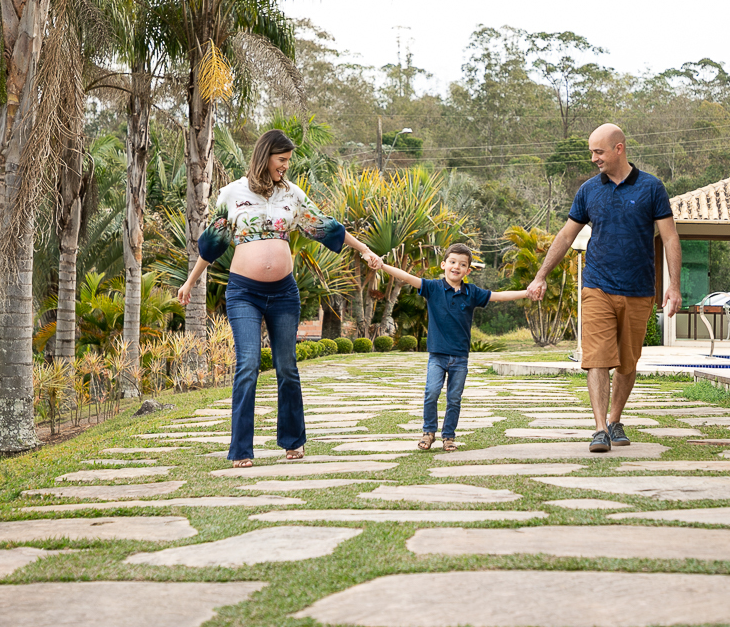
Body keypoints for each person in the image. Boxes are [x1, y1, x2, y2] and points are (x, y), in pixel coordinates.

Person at [177, 130, 382, 468]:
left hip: (284, 293)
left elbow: (326, 227)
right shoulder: (232, 193)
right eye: (281, 160)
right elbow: (213, 243)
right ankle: (241, 449)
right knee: (248, 364)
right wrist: (190, 282)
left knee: (287, 366)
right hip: (244, 292)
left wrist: (365, 250)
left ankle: (292, 440)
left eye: (288, 161)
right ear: (265, 156)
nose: (285, 166)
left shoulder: (292, 194)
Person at [527, 124, 681, 453]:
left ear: (618, 149)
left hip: (639, 289)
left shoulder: (652, 187)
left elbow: (670, 238)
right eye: (591, 152)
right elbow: (566, 236)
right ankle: (599, 429)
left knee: (627, 363)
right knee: (596, 359)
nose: (594, 158)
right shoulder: (588, 190)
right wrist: (541, 275)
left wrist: (674, 286)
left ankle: (615, 420)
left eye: (598, 152)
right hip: (597, 285)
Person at [378, 244, 529, 451]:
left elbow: (500, 296)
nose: (456, 267)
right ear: (444, 265)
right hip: (437, 356)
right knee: (431, 393)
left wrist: (527, 293)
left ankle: (448, 436)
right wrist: (382, 265)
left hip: (460, 358)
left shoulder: (472, 292)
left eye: (462, 264)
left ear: (468, 270)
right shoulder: (433, 288)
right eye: (452, 262)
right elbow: (406, 276)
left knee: (454, 399)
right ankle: (428, 433)